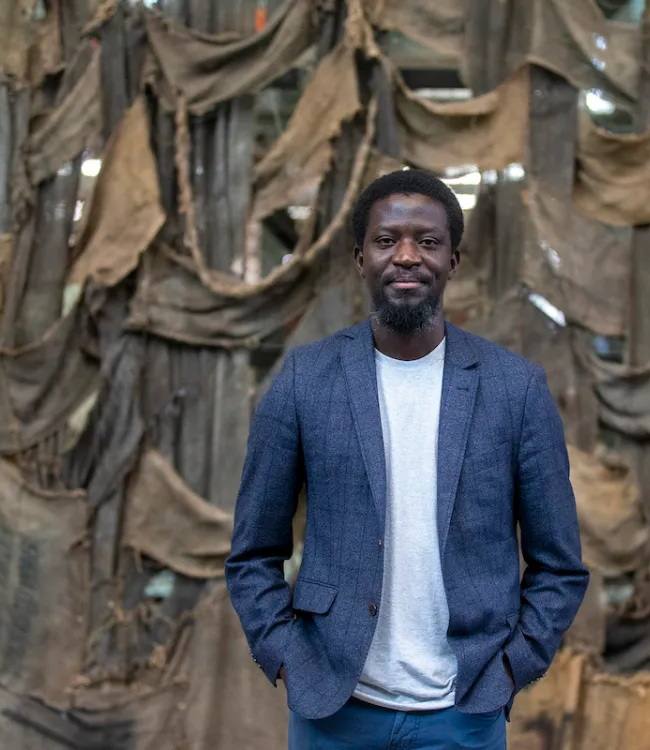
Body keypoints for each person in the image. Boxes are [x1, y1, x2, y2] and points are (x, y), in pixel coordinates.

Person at [227, 169, 588, 750]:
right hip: (335, 709)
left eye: (427, 241)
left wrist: (513, 667)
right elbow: (253, 552)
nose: (407, 256)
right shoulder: (305, 379)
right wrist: (287, 656)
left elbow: (560, 566)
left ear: (453, 261)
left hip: (463, 712)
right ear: (360, 257)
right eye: (387, 240)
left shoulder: (515, 390)